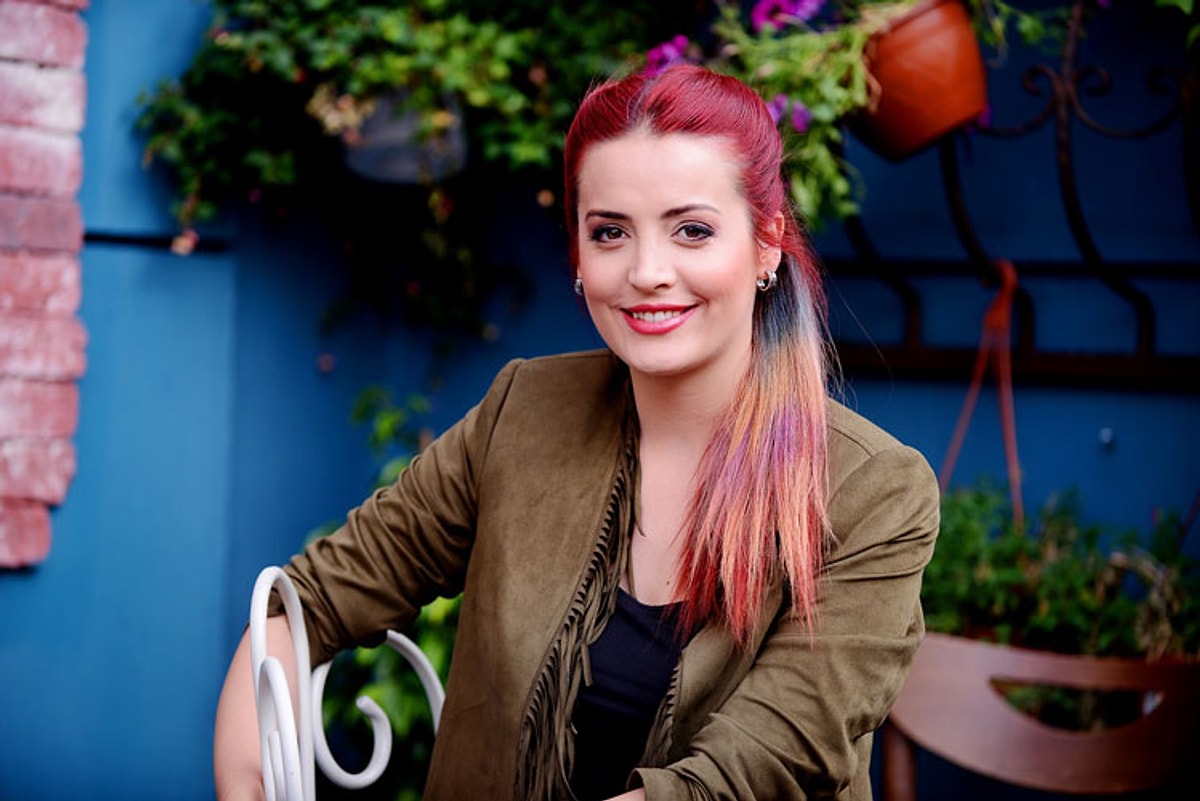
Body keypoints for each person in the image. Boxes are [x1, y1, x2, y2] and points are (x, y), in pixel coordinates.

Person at [214, 64, 939, 801]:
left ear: (766, 245)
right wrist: (247, 785)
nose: (647, 271)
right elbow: (302, 605)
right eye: (610, 232)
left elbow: (751, 770)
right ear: (580, 256)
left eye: (692, 230)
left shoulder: (873, 489)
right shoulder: (525, 411)